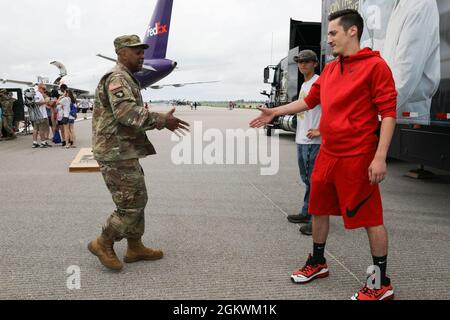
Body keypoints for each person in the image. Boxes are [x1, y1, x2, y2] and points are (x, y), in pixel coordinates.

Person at [250, 9, 397, 300]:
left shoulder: (375, 66)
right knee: (318, 207)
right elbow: (309, 100)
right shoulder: (330, 69)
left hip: (358, 155)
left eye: (333, 33)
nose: (328, 39)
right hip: (328, 153)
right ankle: (318, 262)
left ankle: (381, 282)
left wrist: (380, 156)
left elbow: (389, 113)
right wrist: (275, 112)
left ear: (352, 31)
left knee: (370, 217)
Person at [88, 35, 189, 271]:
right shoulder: (117, 78)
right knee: (131, 204)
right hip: (115, 152)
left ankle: (134, 247)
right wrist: (162, 120)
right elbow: (126, 113)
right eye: (136, 51)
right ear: (122, 53)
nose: (142, 55)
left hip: (123, 150)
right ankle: (103, 243)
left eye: (142, 51)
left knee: (137, 199)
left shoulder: (127, 78)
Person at [382, 0, 440, 125]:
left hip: (409, 115)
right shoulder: (399, 5)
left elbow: (406, 74)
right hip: (394, 111)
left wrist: (379, 110)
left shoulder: (420, 4)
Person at [285, 50, 322, 237]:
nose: (302, 65)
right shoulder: (306, 84)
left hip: (313, 141)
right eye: (300, 62)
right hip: (302, 139)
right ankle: (307, 211)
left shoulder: (318, 82)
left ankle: (315, 218)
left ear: (315, 63)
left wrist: (321, 129)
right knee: (307, 179)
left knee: (313, 180)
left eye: (307, 62)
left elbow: (332, 108)